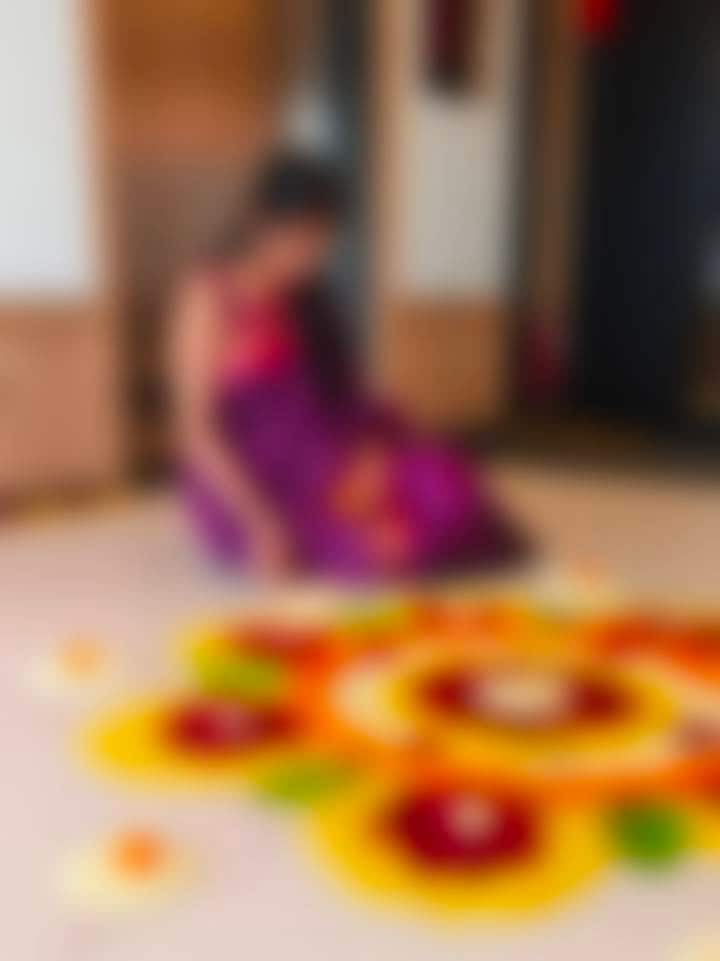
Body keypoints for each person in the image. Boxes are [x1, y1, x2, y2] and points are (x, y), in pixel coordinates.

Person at [172, 152, 525, 581]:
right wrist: (261, 520)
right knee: (382, 548)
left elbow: (340, 398)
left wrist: (367, 459)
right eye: (299, 237)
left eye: (320, 241)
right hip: (255, 481)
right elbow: (198, 431)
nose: (309, 256)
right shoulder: (210, 295)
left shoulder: (306, 300)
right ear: (261, 222)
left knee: (446, 486)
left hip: (325, 450)